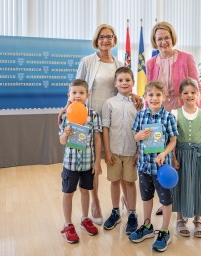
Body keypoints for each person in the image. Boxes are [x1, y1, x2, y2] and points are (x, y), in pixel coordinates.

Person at [61, 24, 142, 225]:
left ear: (114, 40)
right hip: (88, 119)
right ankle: (95, 202)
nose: (105, 40)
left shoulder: (119, 62)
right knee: (93, 164)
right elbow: (77, 86)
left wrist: (135, 96)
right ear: (96, 40)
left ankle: (125, 199)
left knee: (118, 159)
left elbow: (123, 84)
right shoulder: (87, 61)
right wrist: (67, 107)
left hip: (113, 119)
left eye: (109, 37)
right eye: (102, 37)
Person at [146, 21, 201, 216]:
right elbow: (149, 92)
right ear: (155, 42)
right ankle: (167, 200)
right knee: (164, 158)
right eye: (159, 38)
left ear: (173, 38)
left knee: (181, 159)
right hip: (160, 117)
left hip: (182, 114)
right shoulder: (150, 63)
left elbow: (198, 88)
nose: (163, 42)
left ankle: (184, 203)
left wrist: (199, 115)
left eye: (166, 37)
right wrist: (148, 118)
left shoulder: (186, 58)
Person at [129, 81, 179, 252]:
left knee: (165, 199)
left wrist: (164, 153)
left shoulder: (169, 118)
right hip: (144, 166)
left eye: (158, 95)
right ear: (145, 98)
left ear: (164, 97)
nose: (154, 98)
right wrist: (138, 136)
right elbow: (135, 136)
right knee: (146, 197)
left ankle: (165, 231)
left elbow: (173, 141)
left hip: (162, 169)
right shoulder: (141, 116)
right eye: (150, 95)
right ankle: (147, 226)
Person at [58, 79, 101, 243]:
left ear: (87, 95)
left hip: (87, 162)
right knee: (68, 193)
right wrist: (65, 134)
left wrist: (97, 162)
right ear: (69, 95)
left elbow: (97, 139)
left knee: (85, 190)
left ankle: (84, 219)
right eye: (74, 93)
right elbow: (61, 141)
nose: (77, 96)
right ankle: (68, 224)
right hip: (70, 163)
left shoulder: (94, 114)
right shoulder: (65, 115)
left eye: (81, 93)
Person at [171, 78, 201, 238]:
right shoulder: (175, 113)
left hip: (197, 156)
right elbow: (172, 139)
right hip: (180, 155)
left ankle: (197, 218)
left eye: (193, 92)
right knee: (181, 185)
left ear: (198, 94)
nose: (190, 95)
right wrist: (173, 158)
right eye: (186, 92)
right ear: (181, 95)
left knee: (198, 185)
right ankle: (180, 219)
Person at [101, 67, 139, 234]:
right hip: (114, 151)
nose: (124, 83)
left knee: (130, 182)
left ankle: (132, 213)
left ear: (133, 82)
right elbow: (106, 128)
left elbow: (141, 128)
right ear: (115, 83)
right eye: (121, 80)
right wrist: (107, 152)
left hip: (131, 151)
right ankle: (115, 211)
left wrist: (138, 151)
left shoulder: (138, 103)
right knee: (114, 181)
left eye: (127, 80)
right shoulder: (109, 103)